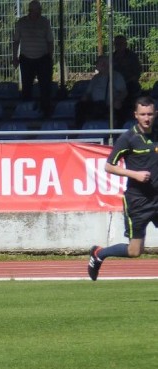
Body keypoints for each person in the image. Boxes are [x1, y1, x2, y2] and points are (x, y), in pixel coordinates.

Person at [88, 96, 157, 280]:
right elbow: (109, 166)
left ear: (155, 113)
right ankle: (99, 253)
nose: (147, 118)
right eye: (143, 114)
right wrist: (135, 174)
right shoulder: (128, 138)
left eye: (150, 113)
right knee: (135, 251)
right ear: (136, 115)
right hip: (138, 201)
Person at [12, 0, 54, 117]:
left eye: (39, 10)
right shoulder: (21, 23)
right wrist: (14, 57)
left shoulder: (45, 22)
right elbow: (16, 41)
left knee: (45, 87)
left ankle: (46, 112)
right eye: (36, 10)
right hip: (26, 59)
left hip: (43, 58)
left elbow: (50, 41)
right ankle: (27, 112)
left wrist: (49, 58)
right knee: (26, 87)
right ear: (30, 11)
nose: (38, 12)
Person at [75, 55, 127, 129]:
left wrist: (118, 99)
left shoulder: (116, 76)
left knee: (120, 110)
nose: (96, 65)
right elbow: (88, 93)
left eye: (97, 63)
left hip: (109, 106)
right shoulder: (95, 78)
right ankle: (79, 130)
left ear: (104, 64)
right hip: (95, 105)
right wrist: (85, 97)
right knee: (80, 106)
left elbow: (123, 92)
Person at [112, 35, 143, 115]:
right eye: (117, 44)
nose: (119, 46)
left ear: (125, 44)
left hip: (129, 84)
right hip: (115, 84)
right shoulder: (112, 57)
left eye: (121, 43)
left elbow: (137, 72)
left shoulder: (132, 56)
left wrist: (128, 81)